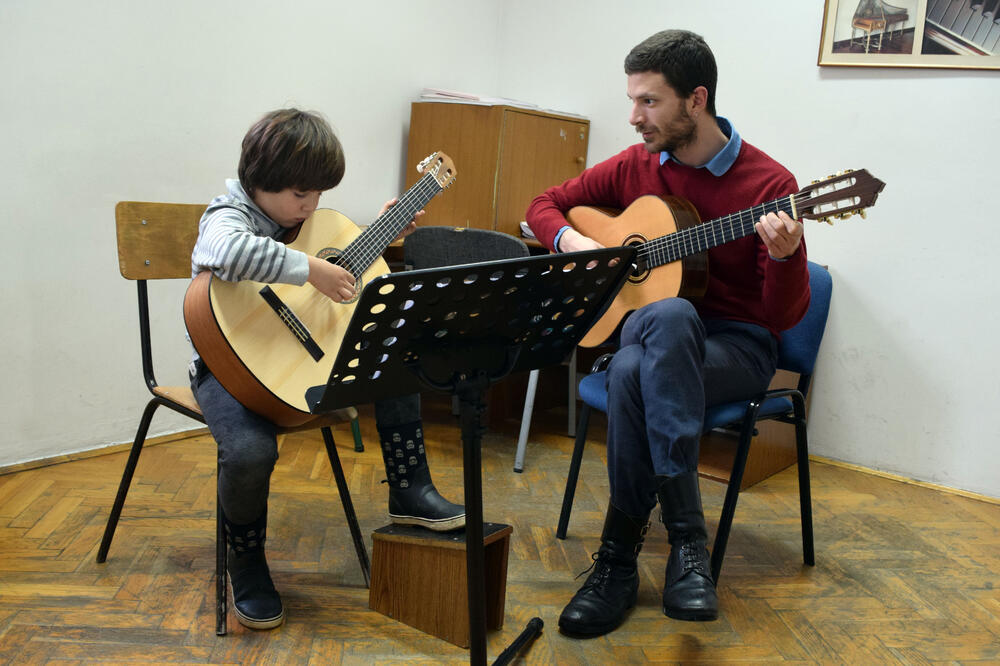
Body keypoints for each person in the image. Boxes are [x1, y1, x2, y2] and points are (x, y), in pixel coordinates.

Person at [525, 30, 810, 637]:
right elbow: (544, 204)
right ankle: (687, 550)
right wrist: (576, 243)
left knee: (644, 353)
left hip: (734, 348)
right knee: (662, 325)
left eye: (649, 102)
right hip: (654, 340)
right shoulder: (636, 165)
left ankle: (618, 561)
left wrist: (787, 257)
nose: (633, 118)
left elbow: (782, 321)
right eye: (632, 100)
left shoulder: (768, 185)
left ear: (696, 100)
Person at [189, 108, 465, 630]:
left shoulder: (306, 220)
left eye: (318, 194)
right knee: (249, 450)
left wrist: (381, 230)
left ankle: (409, 486)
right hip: (228, 369)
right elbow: (223, 250)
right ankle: (246, 559)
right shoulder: (229, 213)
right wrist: (311, 269)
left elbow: (335, 255)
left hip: (300, 365)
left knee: (393, 355)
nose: (311, 205)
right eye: (300, 194)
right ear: (258, 179)